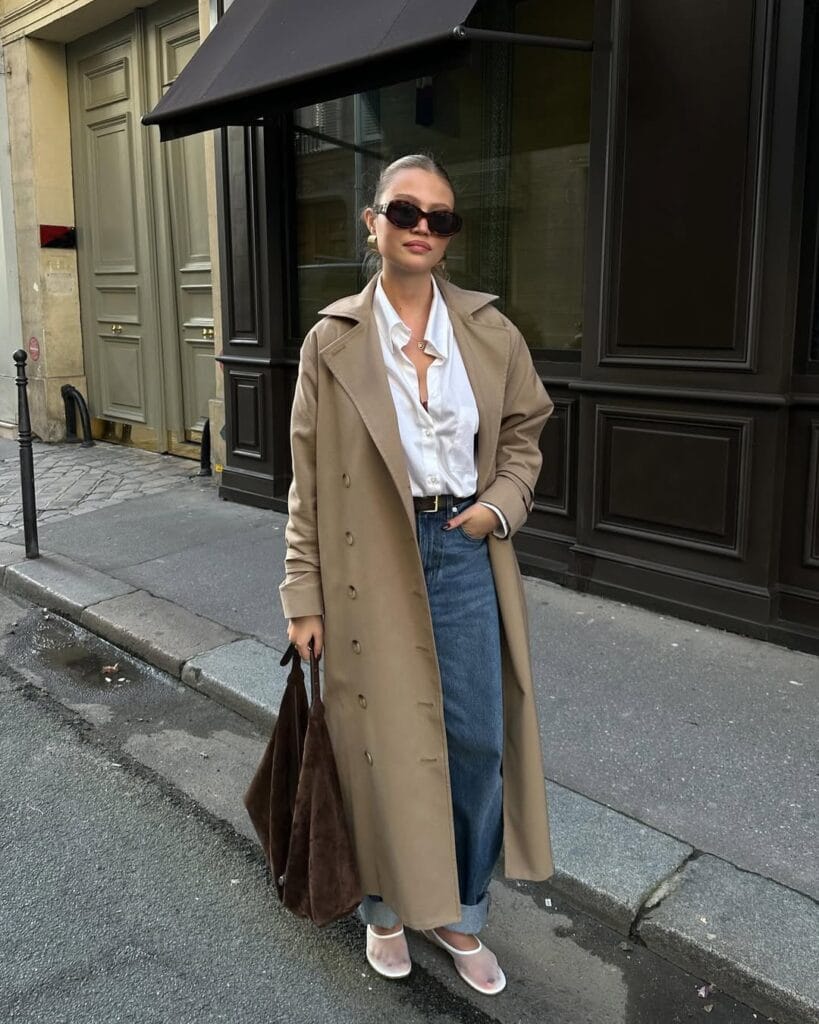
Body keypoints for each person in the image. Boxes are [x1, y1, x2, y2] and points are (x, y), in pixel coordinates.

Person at [281, 153, 554, 996]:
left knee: (472, 742)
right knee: (377, 746)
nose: (423, 229)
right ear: (374, 222)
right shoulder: (332, 340)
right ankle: (383, 908)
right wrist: (302, 592)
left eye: (441, 217)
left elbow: (522, 432)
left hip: (464, 547)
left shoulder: (489, 330)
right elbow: (304, 474)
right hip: (368, 559)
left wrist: (497, 506)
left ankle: (457, 911)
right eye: (406, 211)